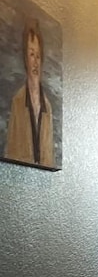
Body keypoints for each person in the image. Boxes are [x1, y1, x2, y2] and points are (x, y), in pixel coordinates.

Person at [5, 18, 54, 167]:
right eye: (32, 54)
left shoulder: (47, 107)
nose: (35, 62)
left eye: (38, 56)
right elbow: (10, 153)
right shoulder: (18, 102)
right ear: (25, 59)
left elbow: (49, 159)